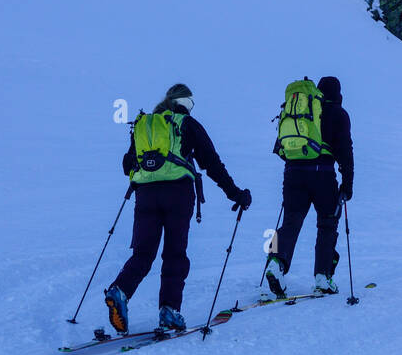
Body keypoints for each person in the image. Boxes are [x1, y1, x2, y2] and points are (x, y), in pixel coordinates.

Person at [104, 83, 252, 334]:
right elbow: (212, 163)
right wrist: (236, 194)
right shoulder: (187, 124)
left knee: (143, 254)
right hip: (178, 194)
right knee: (174, 254)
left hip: (146, 195)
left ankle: (119, 290)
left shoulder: (146, 125)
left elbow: (128, 164)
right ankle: (169, 311)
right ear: (187, 103)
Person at [266, 76, 354, 298]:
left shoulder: (303, 110)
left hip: (293, 173)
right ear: (338, 94)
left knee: (290, 223)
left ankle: (276, 263)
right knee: (327, 224)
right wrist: (347, 184)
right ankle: (322, 277)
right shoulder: (339, 114)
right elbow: (345, 152)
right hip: (323, 175)